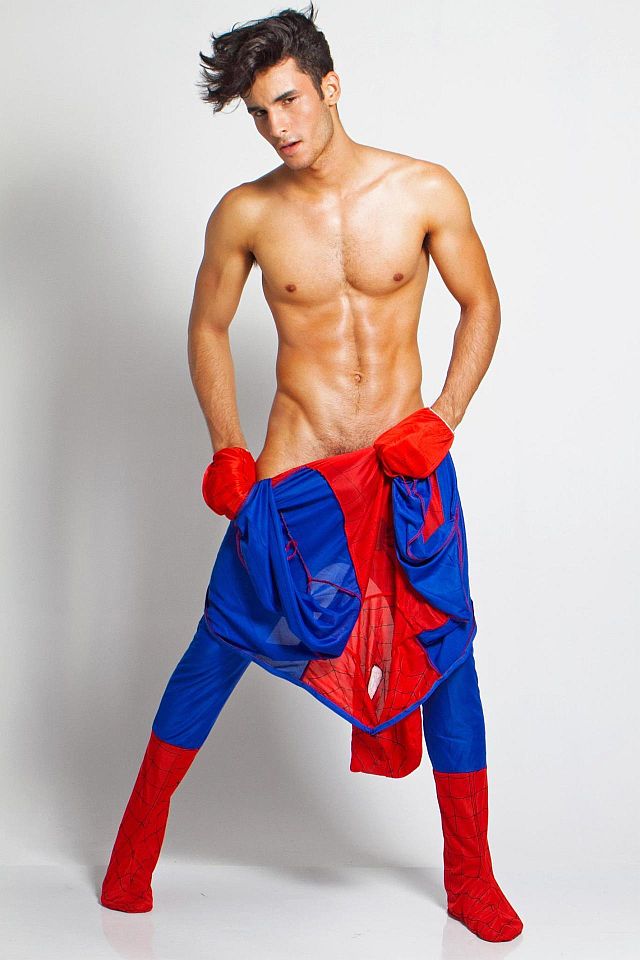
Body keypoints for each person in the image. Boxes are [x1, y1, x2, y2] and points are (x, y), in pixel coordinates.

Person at [99, 3, 523, 943]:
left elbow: (482, 304)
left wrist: (443, 419)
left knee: (446, 654)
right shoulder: (246, 213)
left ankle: (471, 878)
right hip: (298, 475)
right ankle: (133, 851)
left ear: (330, 86)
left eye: (288, 100)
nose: (276, 126)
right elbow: (208, 327)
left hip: (406, 468)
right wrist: (227, 446)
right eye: (259, 112)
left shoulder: (423, 189)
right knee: (220, 643)